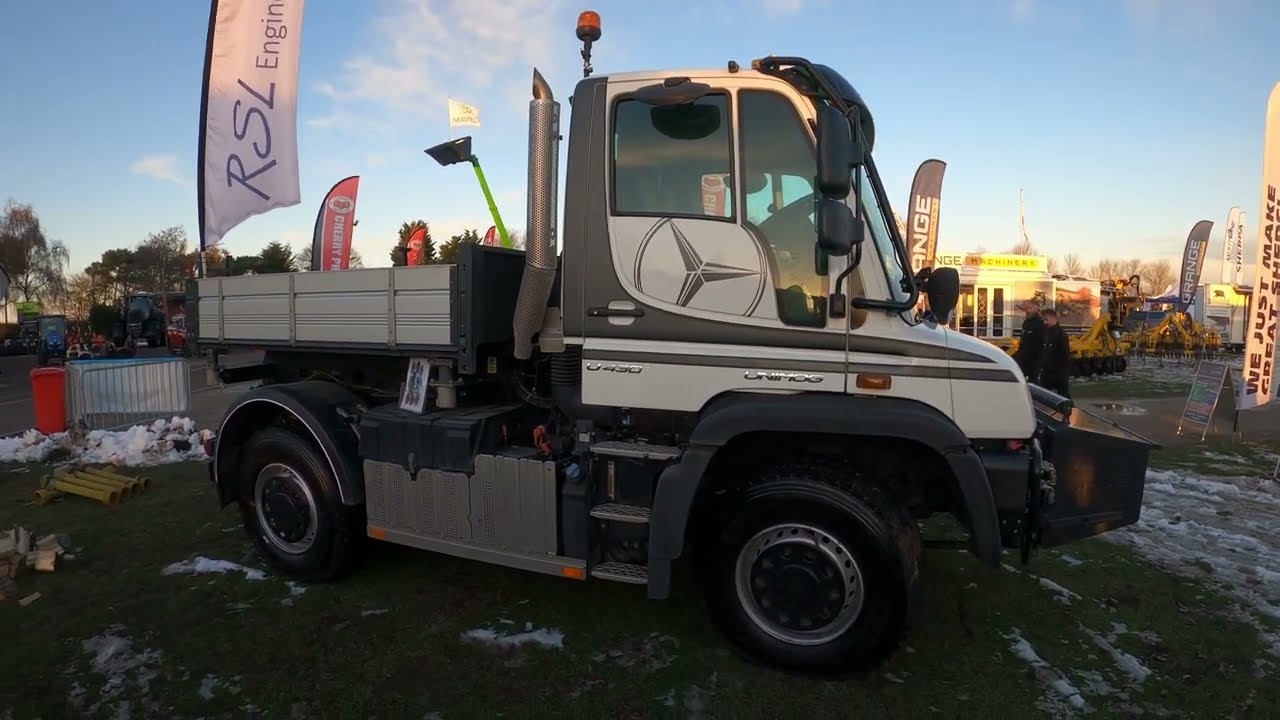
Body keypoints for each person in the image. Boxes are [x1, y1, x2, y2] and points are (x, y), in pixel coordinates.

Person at [1038, 308, 1073, 397]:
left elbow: (1065, 355)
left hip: (1058, 373)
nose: (1045, 322)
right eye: (1043, 320)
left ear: (1053, 318)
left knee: (1063, 396)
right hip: (1046, 372)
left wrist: (1062, 373)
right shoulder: (1045, 332)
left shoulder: (1060, 334)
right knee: (1044, 396)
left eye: (1046, 319)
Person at [1012, 301, 1045, 381]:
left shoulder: (1039, 323)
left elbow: (1042, 342)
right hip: (1024, 358)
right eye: (1026, 308)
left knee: (1033, 381)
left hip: (1034, 360)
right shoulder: (1026, 322)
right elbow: (1023, 341)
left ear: (1036, 308)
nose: (1027, 311)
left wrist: (1039, 361)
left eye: (1030, 308)